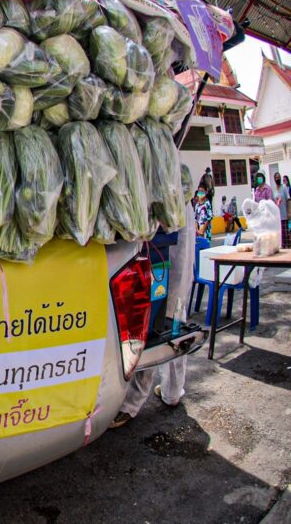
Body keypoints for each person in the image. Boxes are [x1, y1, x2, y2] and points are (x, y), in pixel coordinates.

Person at [111, 165, 196, 428]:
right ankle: (170, 391)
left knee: (163, 323)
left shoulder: (171, 181)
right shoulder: (169, 175)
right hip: (163, 251)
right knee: (164, 320)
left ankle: (135, 403)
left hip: (168, 251)